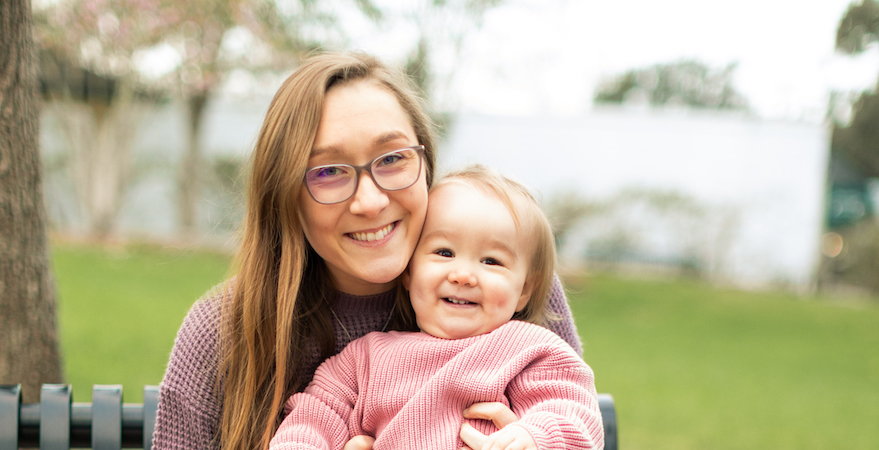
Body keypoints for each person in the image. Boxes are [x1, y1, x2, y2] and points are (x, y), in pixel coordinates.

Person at [151, 52, 583, 450]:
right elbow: (314, 421)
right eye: (329, 171)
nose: (371, 201)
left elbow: (570, 411)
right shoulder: (223, 332)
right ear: (285, 194)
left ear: (425, 164)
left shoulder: (505, 289)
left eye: (392, 158)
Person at [269, 165, 604, 450]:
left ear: (524, 290)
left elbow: (572, 407)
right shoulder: (364, 360)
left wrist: (535, 436)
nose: (463, 275)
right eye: (444, 252)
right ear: (409, 272)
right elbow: (314, 418)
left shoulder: (529, 350)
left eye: (492, 261)